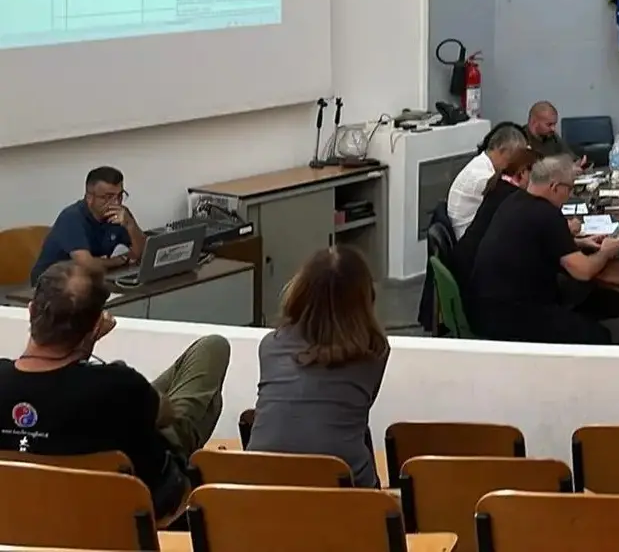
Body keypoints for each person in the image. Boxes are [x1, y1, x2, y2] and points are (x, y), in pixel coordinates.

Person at [0, 262, 230, 518]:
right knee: (213, 348)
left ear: (31, 310)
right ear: (95, 326)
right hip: (147, 505)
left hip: (31, 514)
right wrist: (87, 346)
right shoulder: (119, 385)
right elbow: (167, 414)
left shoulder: (116, 387)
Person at [247, 247, 389, 487]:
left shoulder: (270, 346)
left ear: (301, 289)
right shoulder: (374, 353)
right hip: (346, 493)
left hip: (263, 490)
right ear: (365, 298)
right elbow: (356, 411)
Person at [468, 154, 619, 345]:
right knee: (598, 336)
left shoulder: (514, 200)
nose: (569, 196)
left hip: (483, 305)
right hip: (510, 316)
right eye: (569, 189)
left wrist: (580, 243)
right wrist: (606, 251)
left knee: (587, 301)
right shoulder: (547, 215)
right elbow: (583, 271)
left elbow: (537, 242)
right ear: (555, 187)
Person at [31, 166, 146, 284]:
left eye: (120, 196)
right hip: (50, 284)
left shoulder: (120, 214)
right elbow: (86, 264)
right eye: (108, 197)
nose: (116, 202)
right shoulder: (71, 217)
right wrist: (118, 260)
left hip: (89, 279)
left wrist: (130, 225)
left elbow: (143, 254)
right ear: (89, 198)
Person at [453, 145, 540, 281]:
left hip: (466, 264)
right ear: (523, 172)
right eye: (538, 176)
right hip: (476, 275)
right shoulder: (514, 198)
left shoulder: (498, 185)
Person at [446, 123, 531, 239]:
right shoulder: (484, 178)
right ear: (502, 151)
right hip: (471, 240)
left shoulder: (480, 164)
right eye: (513, 159)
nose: (516, 165)